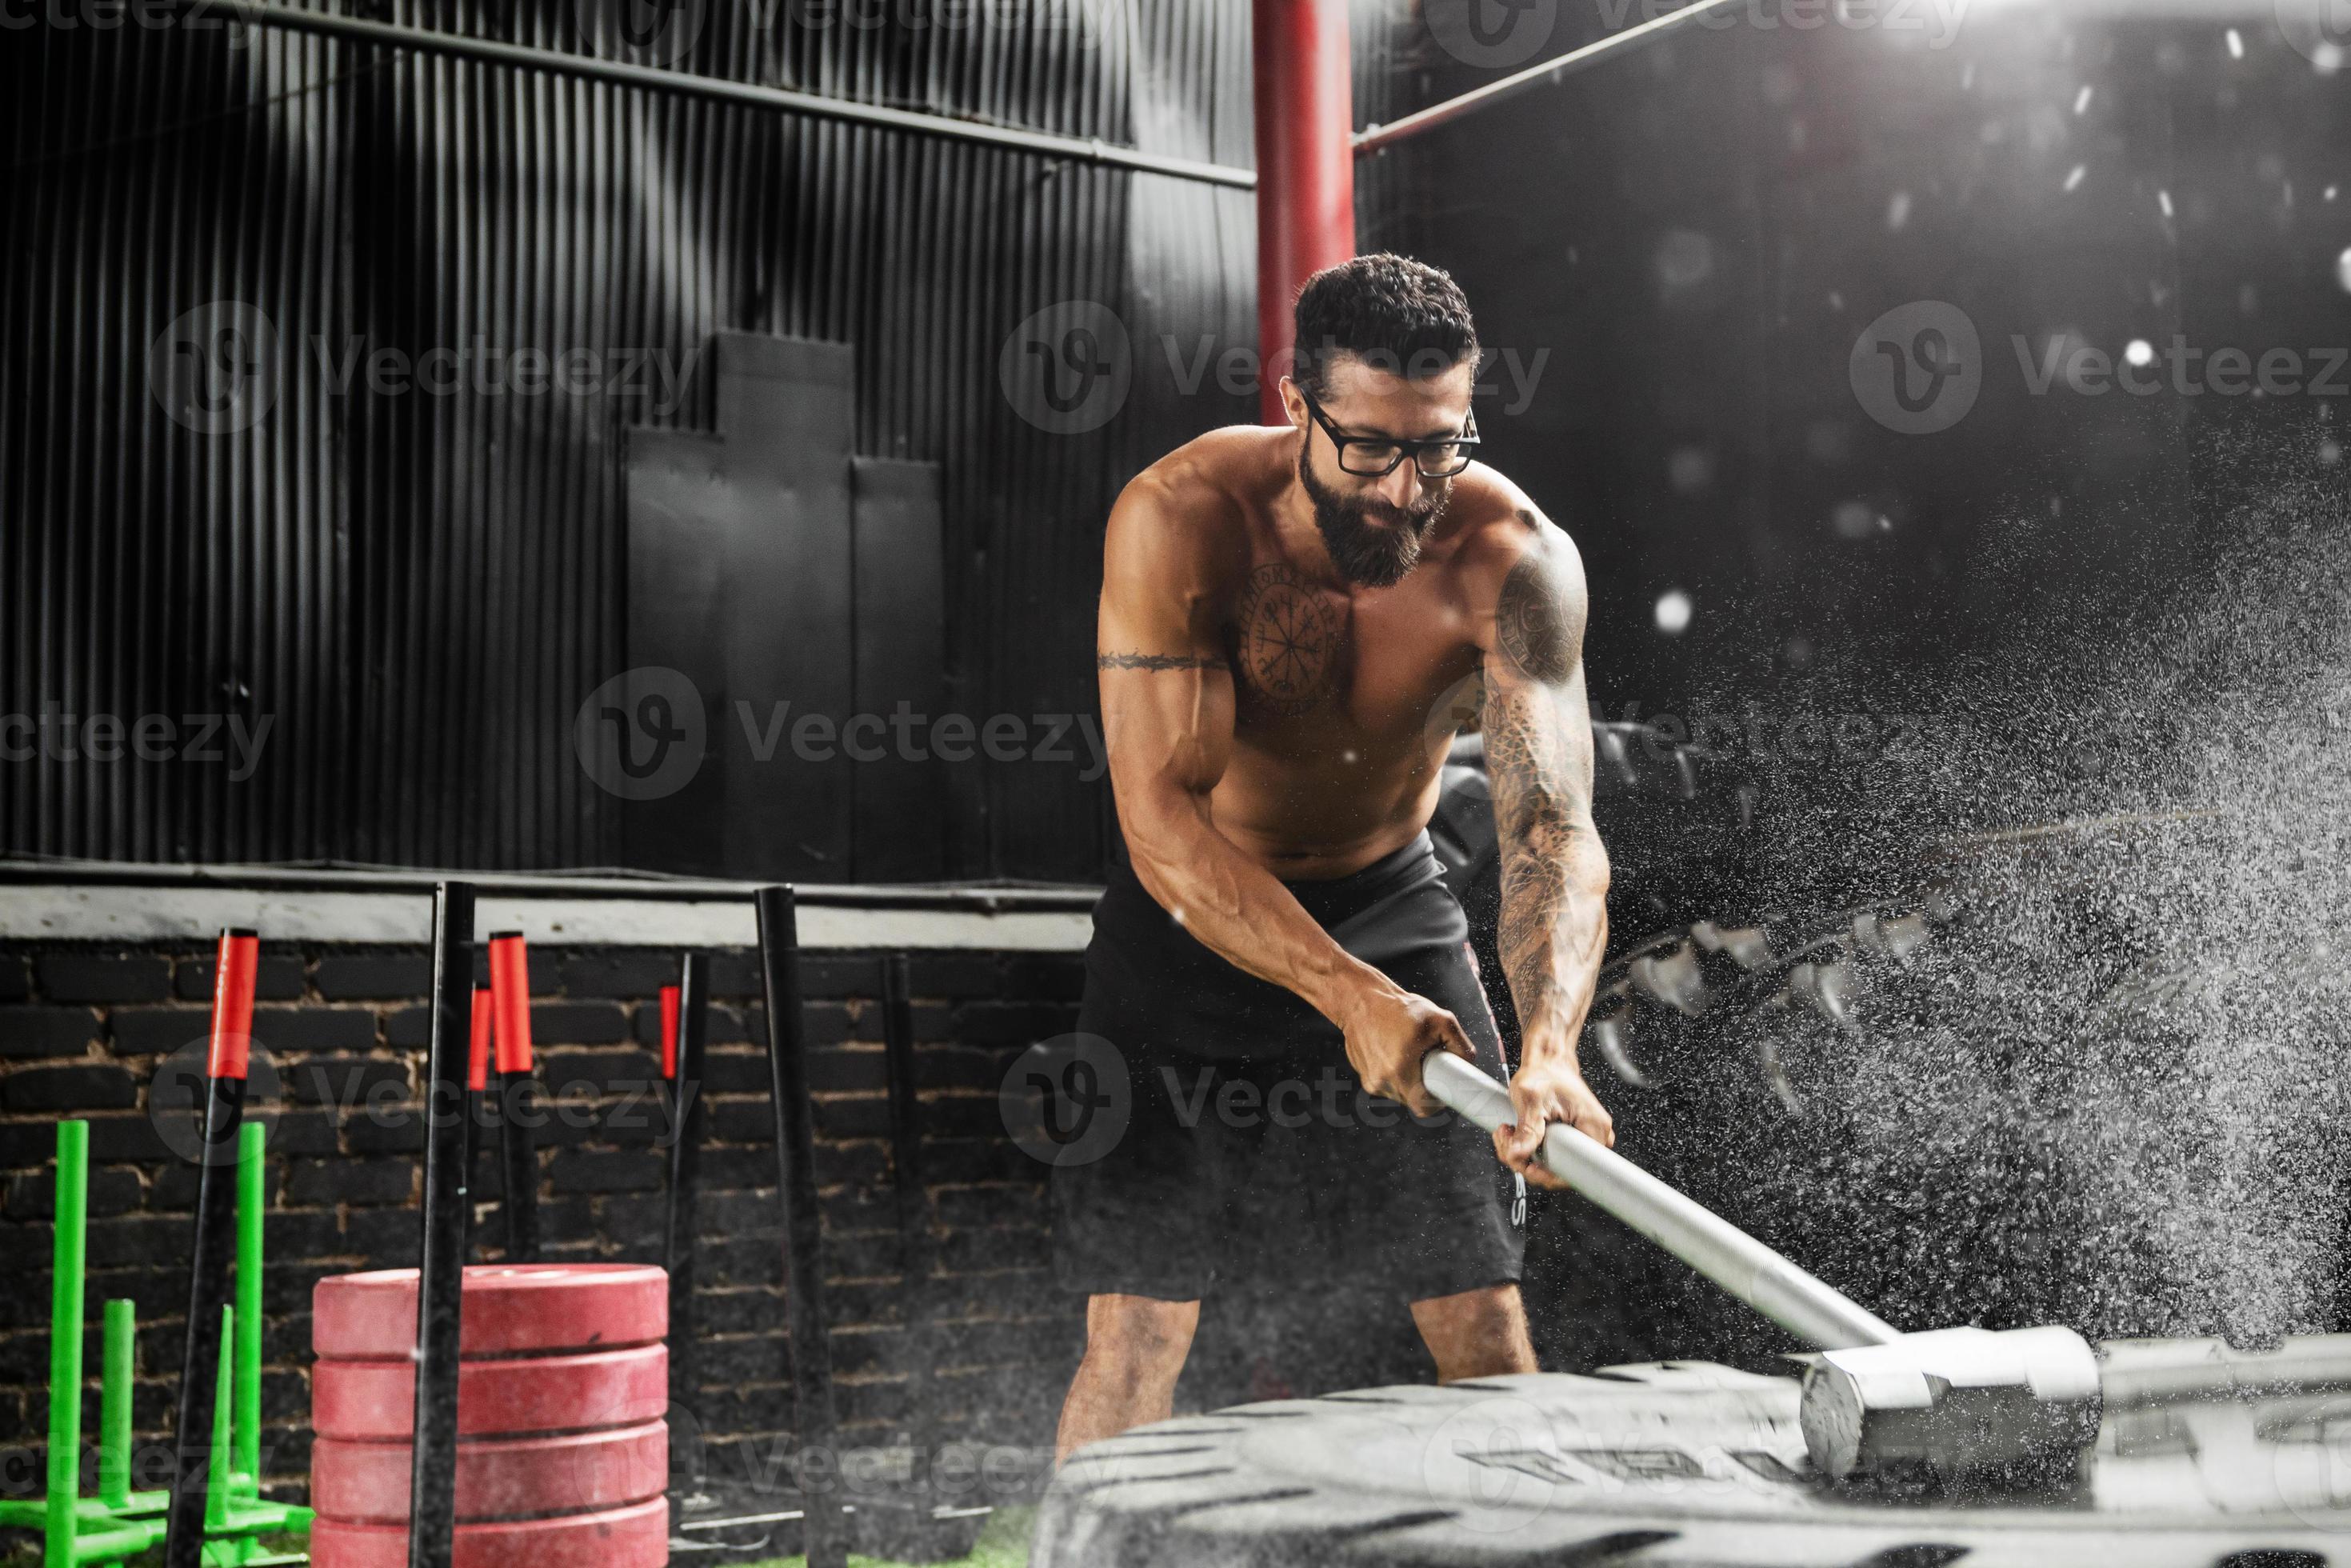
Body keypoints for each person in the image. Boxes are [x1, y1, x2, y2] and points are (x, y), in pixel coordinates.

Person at [1052, 253, 1614, 1461]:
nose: (1409, 490)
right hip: (1192, 915)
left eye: (1442, 447)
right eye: (1371, 448)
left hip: (1391, 900)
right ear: (1299, 402)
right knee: (1138, 1331)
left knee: (1481, 1313)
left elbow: (1551, 833)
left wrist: (1554, 1044)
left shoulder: (1512, 557)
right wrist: (1352, 998)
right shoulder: (1182, 517)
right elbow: (1164, 825)